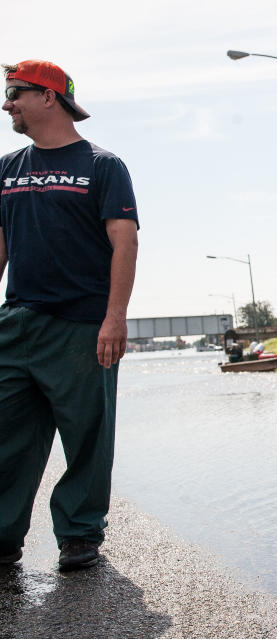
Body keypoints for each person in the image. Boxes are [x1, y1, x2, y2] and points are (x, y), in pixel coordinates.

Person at [0, 60, 139, 571]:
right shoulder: (7, 168)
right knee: (7, 434)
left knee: (86, 435)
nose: (7, 102)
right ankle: (2, 535)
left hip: (82, 325)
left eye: (16, 92)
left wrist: (114, 318)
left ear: (48, 98)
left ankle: (80, 534)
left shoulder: (103, 166)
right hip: (16, 323)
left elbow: (124, 242)